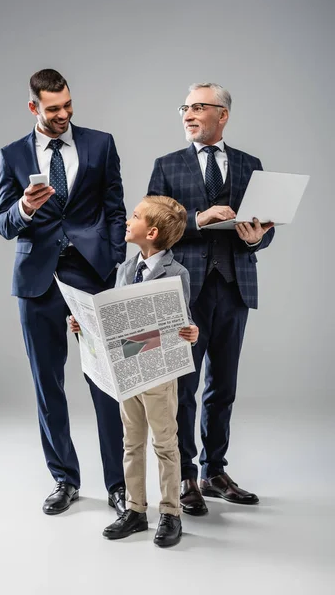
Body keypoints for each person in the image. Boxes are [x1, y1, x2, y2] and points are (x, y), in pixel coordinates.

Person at [0, 68, 127, 516]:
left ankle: (119, 484)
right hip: (37, 283)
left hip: (91, 275)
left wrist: (110, 259)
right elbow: (1, 222)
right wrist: (23, 209)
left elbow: (115, 205)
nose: (64, 114)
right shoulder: (12, 154)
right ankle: (64, 480)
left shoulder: (99, 144)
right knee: (47, 385)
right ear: (34, 107)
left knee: (106, 383)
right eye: (54, 109)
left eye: (69, 105)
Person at [147, 83, 275, 514]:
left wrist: (258, 238)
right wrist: (198, 219)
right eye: (185, 105)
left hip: (235, 286)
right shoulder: (166, 166)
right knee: (183, 387)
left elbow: (265, 226)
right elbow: (153, 228)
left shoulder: (249, 165)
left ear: (223, 115)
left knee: (224, 386)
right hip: (183, 291)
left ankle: (214, 471)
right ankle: (185, 475)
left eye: (199, 106)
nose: (188, 112)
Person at [71, 196, 199, 547]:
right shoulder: (125, 269)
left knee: (164, 443)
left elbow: (182, 317)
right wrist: (84, 322)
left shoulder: (177, 272)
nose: (129, 220)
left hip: (158, 374)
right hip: (127, 372)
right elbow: (113, 317)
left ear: (152, 231)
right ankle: (135, 509)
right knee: (131, 442)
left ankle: (171, 512)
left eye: (136, 216)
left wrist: (191, 331)